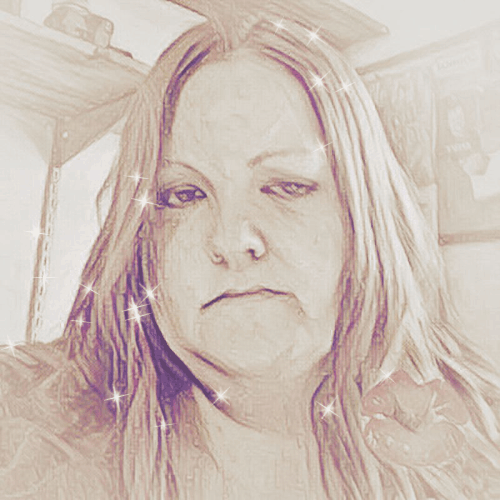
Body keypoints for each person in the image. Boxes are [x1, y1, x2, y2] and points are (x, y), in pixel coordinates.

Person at [2, 6, 500, 500]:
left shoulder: (480, 440)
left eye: (287, 186)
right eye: (184, 195)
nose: (231, 239)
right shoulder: (26, 426)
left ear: (362, 220)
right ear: (142, 244)